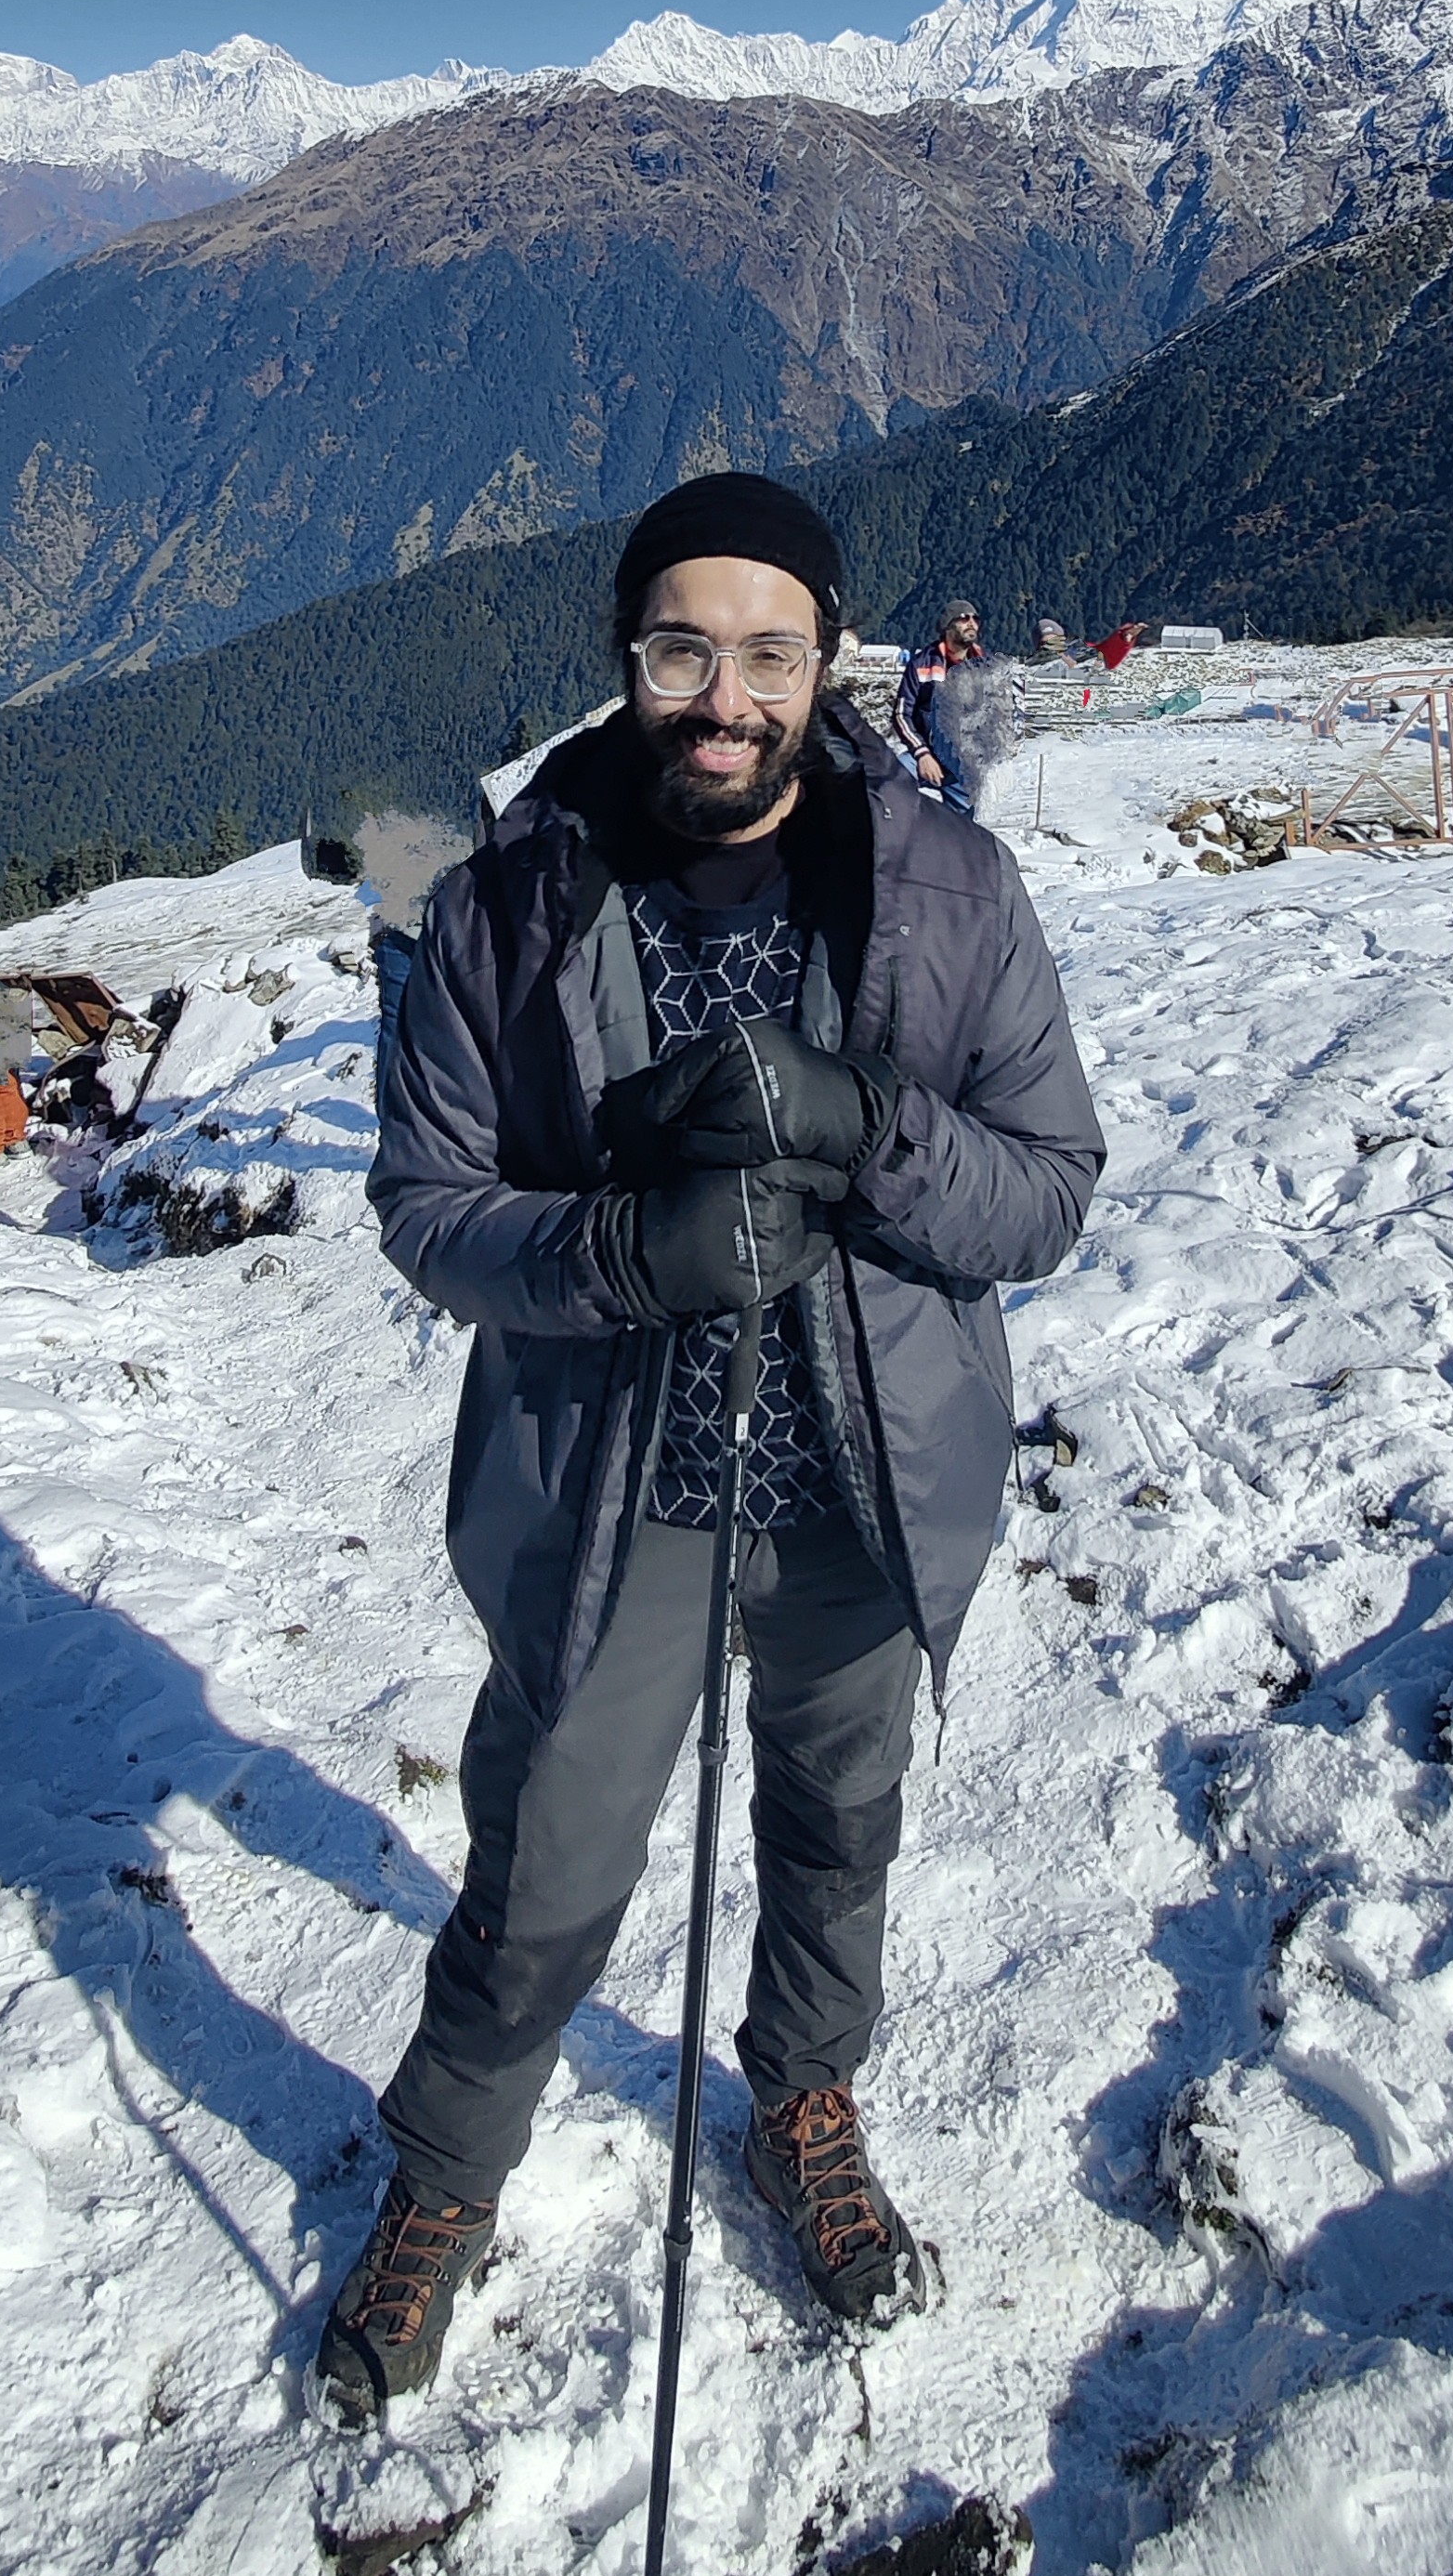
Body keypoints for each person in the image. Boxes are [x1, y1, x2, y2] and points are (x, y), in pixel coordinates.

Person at [316, 475, 1104, 2420]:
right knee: (552, 1853)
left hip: (863, 1473)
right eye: (684, 651)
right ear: (627, 661)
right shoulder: (513, 897)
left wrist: (871, 1131)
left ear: (827, 660)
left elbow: (1049, 1189)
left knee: (838, 1828)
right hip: (612, 1482)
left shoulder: (944, 891)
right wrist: (617, 1249)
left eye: (767, 651)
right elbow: (427, 1203)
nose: (724, 697)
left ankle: (804, 2095)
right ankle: (447, 2169)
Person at [892, 599, 989, 805]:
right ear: (947, 626)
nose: (971, 623)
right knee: (895, 782)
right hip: (924, 755)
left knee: (961, 828)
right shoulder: (921, 665)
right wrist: (921, 753)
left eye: (975, 619)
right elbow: (902, 714)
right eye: (963, 618)